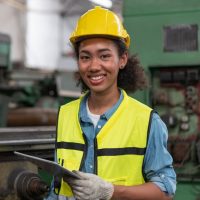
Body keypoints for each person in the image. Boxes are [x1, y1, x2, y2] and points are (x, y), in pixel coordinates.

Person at [47, 6, 176, 200]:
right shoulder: (65, 114)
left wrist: (111, 191)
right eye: (85, 57)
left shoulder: (147, 121)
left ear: (122, 59)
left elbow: (165, 192)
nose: (94, 66)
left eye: (104, 55)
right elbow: (56, 189)